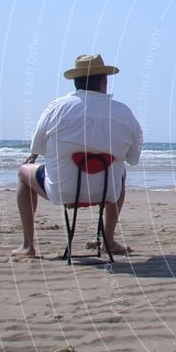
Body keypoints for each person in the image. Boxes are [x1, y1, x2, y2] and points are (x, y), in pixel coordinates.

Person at [11, 54, 143, 257]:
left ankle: (28, 245)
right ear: (104, 81)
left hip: (61, 191)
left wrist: (37, 156)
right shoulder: (124, 112)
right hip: (107, 192)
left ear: (76, 82)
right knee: (121, 173)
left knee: (23, 173)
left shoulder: (57, 107)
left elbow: (37, 147)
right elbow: (133, 159)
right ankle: (108, 239)